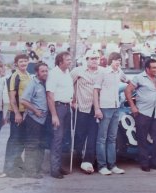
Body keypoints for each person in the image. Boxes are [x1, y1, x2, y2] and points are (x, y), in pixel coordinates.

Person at [124, 59, 156, 172]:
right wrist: (132, 106)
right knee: (142, 139)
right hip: (142, 113)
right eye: (154, 68)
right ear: (147, 69)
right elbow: (127, 91)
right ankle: (144, 163)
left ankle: (155, 162)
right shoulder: (139, 78)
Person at [93, 52, 127, 175]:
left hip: (116, 107)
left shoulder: (119, 72)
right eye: (116, 60)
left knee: (112, 138)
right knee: (102, 138)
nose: (118, 62)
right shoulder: (103, 72)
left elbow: (127, 79)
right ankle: (102, 166)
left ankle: (112, 165)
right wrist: (97, 109)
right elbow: (95, 90)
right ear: (110, 61)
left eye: (119, 60)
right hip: (104, 107)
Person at [71, 49, 103, 174]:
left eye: (96, 58)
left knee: (93, 134)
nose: (95, 61)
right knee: (80, 133)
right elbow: (69, 84)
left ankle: (88, 160)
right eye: (92, 58)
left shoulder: (102, 71)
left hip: (96, 107)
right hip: (81, 107)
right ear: (87, 60)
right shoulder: (77, 71)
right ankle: (79, 154)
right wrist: (72, 99)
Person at [46, 51, 74, 179]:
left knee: (63, 138)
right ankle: (54, 169)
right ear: (60, 62)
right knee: (57, 138)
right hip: (58, 108)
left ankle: (58, 166)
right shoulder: (53, 74)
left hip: (67, 107)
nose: (70, 61)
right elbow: (50, 96)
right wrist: (54, 115)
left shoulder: (67, 72)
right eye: (67, 60)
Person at [4, 54, 32, 178]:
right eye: (21, 61)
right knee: (14, 140)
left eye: (25, 61)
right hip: (17, 113)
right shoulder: (15, 76)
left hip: (26, 113)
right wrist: (16, 113)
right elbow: (12, 97)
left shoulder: (28, 75)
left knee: (21, 140)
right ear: (16, 63)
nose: (23, 63)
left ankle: (16, 165)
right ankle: (9, 169)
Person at [20, 63, 49, 179]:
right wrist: (35, 110)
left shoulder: (46, 83)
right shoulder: (33, 83)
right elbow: (24, 101)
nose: (45, 73)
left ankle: (37, 169)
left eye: (47, 71)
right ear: (37, 73)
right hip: (33, 119)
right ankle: (30, 172)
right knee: (32, 145)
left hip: (44, 120)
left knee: (41, 145)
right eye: (43, 71)